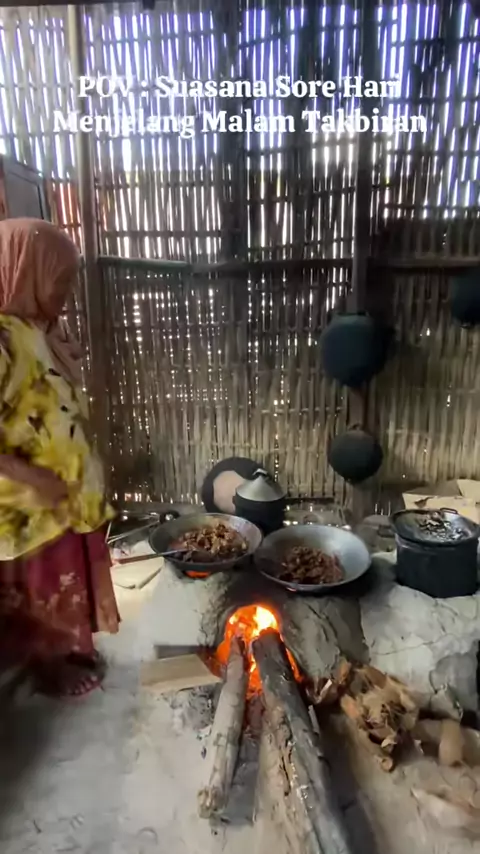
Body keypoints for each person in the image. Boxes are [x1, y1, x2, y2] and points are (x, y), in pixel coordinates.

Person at [0, 218, 119, 697]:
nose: (67, 293)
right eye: (60, 280)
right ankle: (49, 670)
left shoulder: (37, 329)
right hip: (28, 504)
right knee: (41, 591)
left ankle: (70, 651)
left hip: (61, 500)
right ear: (25, 271)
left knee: (67, 583)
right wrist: (32, 476)